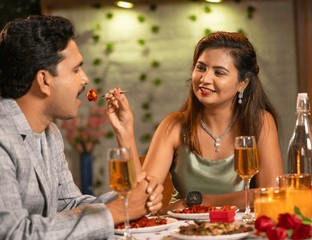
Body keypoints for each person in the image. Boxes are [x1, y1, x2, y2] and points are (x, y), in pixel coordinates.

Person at [0, 15, 163, 240]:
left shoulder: (49, 132)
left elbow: (67, 204)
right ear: (44, 80)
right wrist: (113, 213)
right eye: (76, 69)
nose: (85, 79)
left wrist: (126, 201)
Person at [106, 31, 284, 214]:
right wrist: (125, 132)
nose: (205, 79)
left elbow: (272, 195)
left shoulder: (260, 122)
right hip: (179, 231)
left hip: (238, 232)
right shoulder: (173, 126)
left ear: (243, 83)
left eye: (219, 72)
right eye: (201, 68)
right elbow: (143, 200)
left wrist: (197, 202)